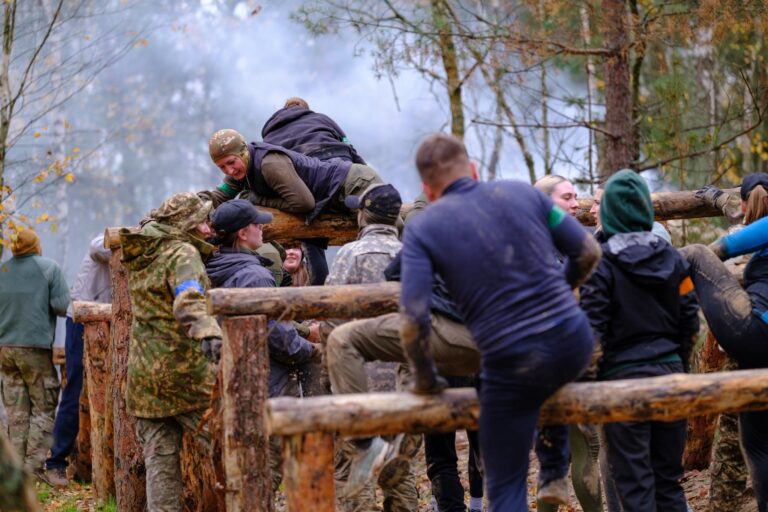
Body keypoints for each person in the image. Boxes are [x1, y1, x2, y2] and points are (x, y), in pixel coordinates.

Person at [399, 133, 601, 510]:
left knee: (505, 484)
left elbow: (412, 318)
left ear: (427, 189)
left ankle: (549, 470)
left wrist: (426, 377)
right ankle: (553, 469)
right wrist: (559, 291)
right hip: (575, 340)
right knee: (548, 373)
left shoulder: (423, 229)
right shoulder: (526, 194)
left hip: (511, 358)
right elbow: (588, 251)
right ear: (474, 170)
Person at [327, 192, 483, 512]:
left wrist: (330, 372)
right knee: (403, 470)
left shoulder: (352, 253)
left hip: (360, 376)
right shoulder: (421, 248)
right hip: (416, 371)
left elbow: (330, 314)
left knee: (354, 469)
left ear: (363, 216)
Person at [580, 170, 700, 512]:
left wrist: (594, 382)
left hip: (623, 385)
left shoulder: (600, 265)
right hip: (670, 378)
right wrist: (677, 366)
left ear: (609, 212)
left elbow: (592, 334)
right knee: (668, 483)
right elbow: (690, 322)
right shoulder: (675, 260)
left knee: (636, 488)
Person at [205, 198, 321, 492]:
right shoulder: (254, 276)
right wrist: (311, 350)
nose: (262, 229)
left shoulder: (214, 267)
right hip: (266, 381)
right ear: (243, 233)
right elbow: (277, 335)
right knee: (267, 464)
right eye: (257, 224)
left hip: (231, 376)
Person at [120, 192, 223, 511]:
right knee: (233, 446)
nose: (208, 229)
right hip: (185, 377)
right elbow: (187, 297)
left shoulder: (145, 251)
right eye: (202, 221)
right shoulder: (182, 253)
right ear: (185, 225)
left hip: (145, 381)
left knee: (160, 470)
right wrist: (207, 330)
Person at [680, 172, 768, 512]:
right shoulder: (752, 219)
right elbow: (738, 210)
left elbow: (721, 248)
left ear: (746, 203)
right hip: (756, 355)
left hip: (754, 334)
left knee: (696, 254)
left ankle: (643, 287)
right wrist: (718, 198)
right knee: (756, 440)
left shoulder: (754, 229)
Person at [202, 128, 383, 285]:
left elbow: (304, 203)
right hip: (338, 196)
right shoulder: (240, 172)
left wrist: (260, 199)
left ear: (243, 152)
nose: (229, 170)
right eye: (222, 167)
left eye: (231, 162)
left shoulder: (269, 164)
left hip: (355, 184)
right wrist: (196, 205)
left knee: (385, 243)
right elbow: (219, 196)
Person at [533, 176, 603, 512]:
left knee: (554, 454)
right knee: (584, 447)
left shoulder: (533, 241)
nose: (577, 204)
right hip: (560, 359)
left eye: (577, 196)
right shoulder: (545, 247)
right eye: (568, 197)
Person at [0, 229, 69, 478]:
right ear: (36, 246)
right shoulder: (48, 268)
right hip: (35, 350)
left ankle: (16, 470)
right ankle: (33, 468)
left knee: (16, 411)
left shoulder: (3, 270)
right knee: (44, 406)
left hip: (5, 350)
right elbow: (62, 306)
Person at [44, 235, 111, 487]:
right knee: (75, 388)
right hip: (82, 320)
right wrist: (131, 243)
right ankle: (56, 462)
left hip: (108, 319)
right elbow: (97, 246)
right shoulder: (111, 240)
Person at [262, 96, 366, 164]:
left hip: (300, 172)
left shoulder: (270, 132)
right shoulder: (322, 118)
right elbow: (346, 142)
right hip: (339, 160)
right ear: (304, 108)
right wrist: (362, 166)